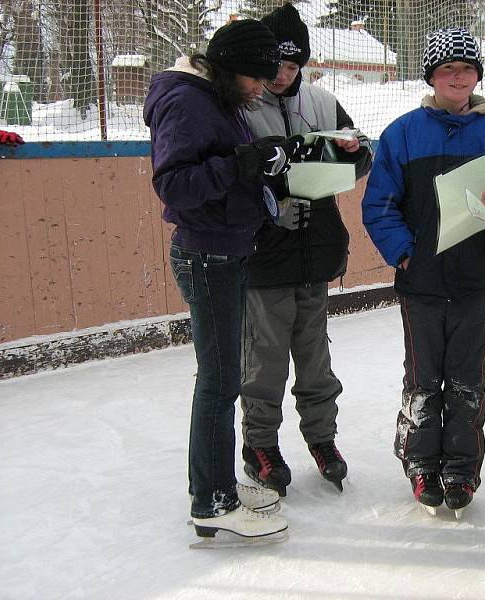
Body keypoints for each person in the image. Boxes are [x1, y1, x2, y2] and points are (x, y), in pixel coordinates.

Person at [143, 19, 315, 542]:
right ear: (229, 68)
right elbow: (174, 184)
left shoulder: (217, 97)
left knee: (224, 377)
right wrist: (242, 163)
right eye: (256, 79)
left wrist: (266, 160)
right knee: (219, 381)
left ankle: (217, 484)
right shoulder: (186, 101)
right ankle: (211, 500)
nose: (263, 89)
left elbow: (227, 166)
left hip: (228, 249)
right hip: (207, 254)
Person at [362, 27, 485, 516]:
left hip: (477, 278)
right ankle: (421, 463)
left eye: (465, 69)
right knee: (423, 377)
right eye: (446, 70)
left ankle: (461, 467)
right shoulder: (402, 133)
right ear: (432, 77)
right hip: (421, 282)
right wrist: (404, 252)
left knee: (466, 378)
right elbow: (379, 205)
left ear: (477, 75)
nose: (456, 77)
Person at [239, 3, 373, 497]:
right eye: (275, 65)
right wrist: (269, 206)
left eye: (293, 66)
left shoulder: (319, 101)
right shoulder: (242, 103)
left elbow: (359, 158)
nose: (281, 76)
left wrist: (356, 154)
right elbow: (231, 178)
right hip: (264, 256)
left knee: (316, 360)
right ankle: (261, 445)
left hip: (316, 251)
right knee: (266, 360)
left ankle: (322, 438)